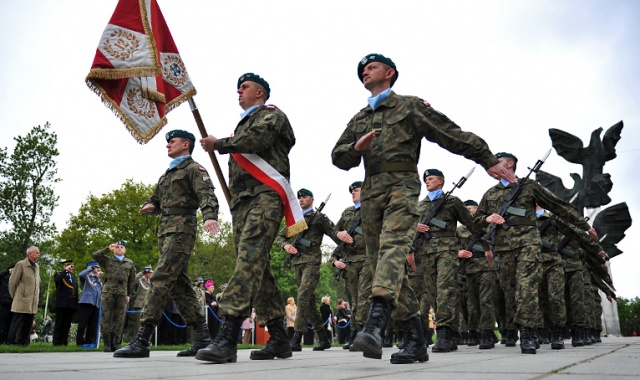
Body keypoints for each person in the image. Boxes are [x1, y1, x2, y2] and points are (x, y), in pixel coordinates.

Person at [331, 53, 516, 364]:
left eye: (372, 66)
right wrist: (355, 149)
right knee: (383, 265)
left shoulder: (410, 105)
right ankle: (416, 339)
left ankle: (375, 324)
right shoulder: (359, 118)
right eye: (362, 69)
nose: (365, 71)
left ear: (389, 73)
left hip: (402, 184)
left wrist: (486, 158)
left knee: (392, 249)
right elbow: (338, 156)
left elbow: (450, 133)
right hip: (372, 188)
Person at [197, 73, 297, 363]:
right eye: (238, 88)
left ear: (260, 93)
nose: (239, 91)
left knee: (248, 260)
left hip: (265, 198)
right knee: (259, 268)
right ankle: (279, 337)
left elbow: (257, 140)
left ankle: (227, 337)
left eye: (245, 87)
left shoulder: (271, 115)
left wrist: (220, 143)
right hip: (242, 204)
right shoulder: (243, 124)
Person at [474, 152, 597, 354]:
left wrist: (583, 224)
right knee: (511, 292)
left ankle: (528, 334)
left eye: (498, 161)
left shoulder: (528, 186)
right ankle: (528, 328)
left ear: (510, 164)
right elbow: (476, 222)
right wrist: (487, 219)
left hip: (528, 245)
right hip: (503, 249)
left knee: (527, 288)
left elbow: (558, 206)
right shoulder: (489, 194)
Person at [114, 129, 220, 359]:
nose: (167, 145)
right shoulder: (167, 174)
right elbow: (156, 198)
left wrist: (210, 215)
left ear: (185, 145)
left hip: (182, 230)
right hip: (165, 231)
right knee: (179, 285)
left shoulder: (194, 169)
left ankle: (142, 338)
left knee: (160, 278)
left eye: (172, 141)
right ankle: (202, 338)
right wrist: (151, 205)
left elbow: (207, 194)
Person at [408, 169, 489, 353]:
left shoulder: (452, 201)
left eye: (431, 179)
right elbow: (408, 231)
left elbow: (472, 224)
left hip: (447, 250)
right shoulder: (419, 205)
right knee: (433, 293)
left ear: (441, 181)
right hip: (426, 253)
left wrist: (487, 245)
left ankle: (443, 332)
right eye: (425, 179)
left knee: (445, 290)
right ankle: (451, 333)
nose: (427, 182)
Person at [276, 188, 340, 351]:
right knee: (309, 303)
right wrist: (286, 246)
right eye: (299, 198)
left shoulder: (319, 218)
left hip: (312, 262)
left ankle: (296, 338)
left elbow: (335, 235)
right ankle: (324, 339)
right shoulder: (297, 219)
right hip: (298, 263)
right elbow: (280, 237)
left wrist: (342, 253)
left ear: (312, 199)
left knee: (302, 296)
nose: (301, 200)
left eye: (304, 197)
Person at [330, 180, 372, 350]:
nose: (353, 193)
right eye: (351, 191)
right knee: (354, 300)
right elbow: (334, 231)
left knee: (363, 297)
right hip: (350, 262)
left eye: (356, 190)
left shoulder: (373, 209)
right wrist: (339, 234)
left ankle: (358, 332)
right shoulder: (347, 212)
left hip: (368, 258)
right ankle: (358, 331)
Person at [456, 200, 497, 350]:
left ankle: (487, 332)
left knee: (486, 300)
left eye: (470, 208)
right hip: (468, 268)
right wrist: (458, 253)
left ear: (477, 209)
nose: (468, 211)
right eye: (465, 209)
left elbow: (495, 243)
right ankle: (473, 332)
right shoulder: (460, 230)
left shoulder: (488, 226)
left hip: (486, 266)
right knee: (471, 303)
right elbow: (451, 246)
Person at [93, 240, 136, 352]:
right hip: (109, 291)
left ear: (125, 250)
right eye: (117, 247)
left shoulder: (129, 263)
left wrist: (129, 295)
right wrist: (108, 248)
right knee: (107, 317)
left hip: (122, 292)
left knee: (119, 319)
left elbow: (132, 280)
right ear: (114, 250)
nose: (120, 248)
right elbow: (95, 255)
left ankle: (116, 342)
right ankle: (107, 343)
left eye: (122, 247)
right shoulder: (108, 260)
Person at [7, 246, 41, 346]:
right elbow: (12, 283)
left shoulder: (37, 266)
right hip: (21, 300)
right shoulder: (21, 264)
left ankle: (23, 342)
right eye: (37, 253)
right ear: (30, 254)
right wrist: (17, 296)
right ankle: (10, 342)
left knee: (27, 323)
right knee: (16, 322)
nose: (39, 255)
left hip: (32, 301)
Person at [76, 261, 103, 347]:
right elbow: (81, 275)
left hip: (96, 303)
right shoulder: (87, 277)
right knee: (83, 323)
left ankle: (89, 341)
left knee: (92, 324)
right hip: (86, 302)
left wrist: (98, 277)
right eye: (96, 267)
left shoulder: (97, 279)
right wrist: (91, 269)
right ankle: (80, 341)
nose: (98, 269)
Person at [52, 259, 79, 346]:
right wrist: (65, 271)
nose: (71, 267)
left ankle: (64, 341)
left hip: (70, 304)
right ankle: (57, 341)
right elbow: (57, 280)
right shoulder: (60, 274)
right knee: (59, 323)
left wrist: (75, 304)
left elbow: (75, 291)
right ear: (64, 266)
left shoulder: (73, 277)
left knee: (67, 324)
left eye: (72, 266)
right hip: (62, 303)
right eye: (68, 265)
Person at [126, 266, 152, 342]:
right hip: (140, 304)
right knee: (138, 324)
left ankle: (145, 339)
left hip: (147, 304)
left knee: (146, 323)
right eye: (149, 272)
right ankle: (135, 339)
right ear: (146, 273)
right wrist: (142, 272)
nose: (151, 274)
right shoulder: (140, 280)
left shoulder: (150, 281)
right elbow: (134, 280)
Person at [0, 264, 15, 344]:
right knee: (2, 324)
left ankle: (9, 341)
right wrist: (6, 272)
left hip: (13, 304)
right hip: (4, 303)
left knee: (10, 324)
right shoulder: (4, 278)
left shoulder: (17, 279)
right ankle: (1, 340)